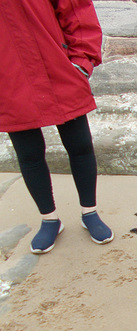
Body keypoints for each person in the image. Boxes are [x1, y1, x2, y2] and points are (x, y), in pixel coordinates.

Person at [0, 0, 113, 254]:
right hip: (9, 79)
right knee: (29, 154)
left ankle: (89, 212)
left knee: (80, 144)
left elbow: (77, 11)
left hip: (58, 68)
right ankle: (49, 218)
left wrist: (80, 63)